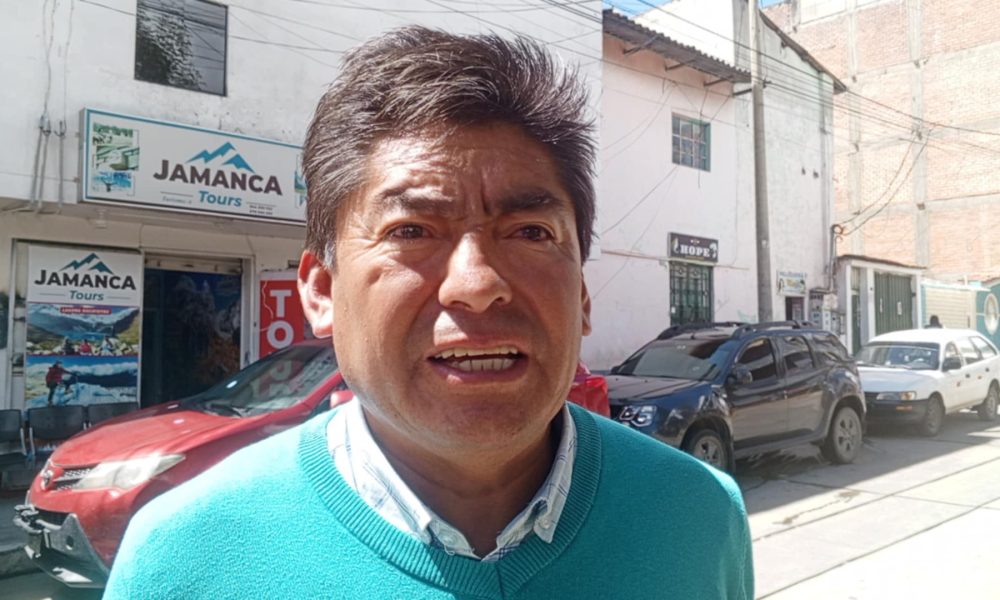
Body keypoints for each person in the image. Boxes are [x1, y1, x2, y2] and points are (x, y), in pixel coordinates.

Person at [105, 27, 753, 599]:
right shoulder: (184, 558)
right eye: (411, 231)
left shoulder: (698, 514)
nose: (478, 284)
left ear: (581, 295)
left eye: (530, 233)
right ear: (322, 292)